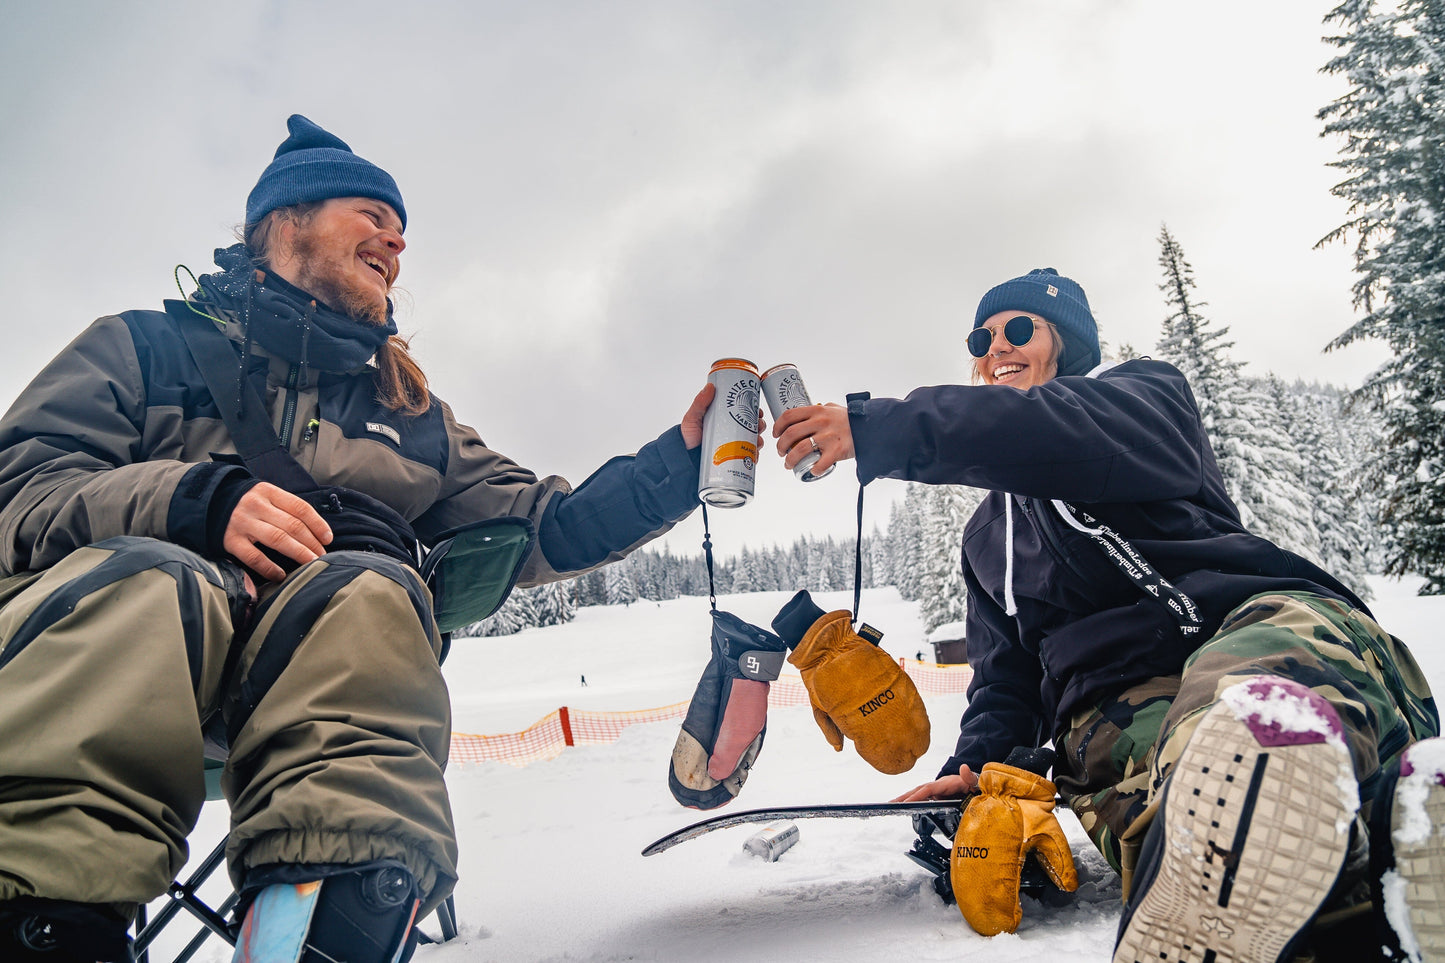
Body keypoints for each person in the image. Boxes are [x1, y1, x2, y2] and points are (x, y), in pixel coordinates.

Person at [0, 115, 723, 963]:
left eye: (401, 226)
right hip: (106, 666)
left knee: (369, 596)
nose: (396, 239)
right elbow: (21, 492)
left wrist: (678, 464)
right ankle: (44, 927)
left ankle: (332, 929)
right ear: (285, 222)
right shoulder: (141, 349)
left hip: (303, 696)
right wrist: (194, 502)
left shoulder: (412, 416)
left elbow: (542, 525)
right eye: (370, 214)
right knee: (154, 582)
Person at [773, 267, 1443, 961]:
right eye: (981, 337)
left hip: (1257, 627)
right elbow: (1006, 681)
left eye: (1018, 329)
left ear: (1066, 344)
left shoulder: (1142, 404)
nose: (995, 347)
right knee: (1181, 822)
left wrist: (881, 427)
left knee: (1243, 718)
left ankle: (1291, 793)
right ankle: (1379, 888)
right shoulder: (984, 539)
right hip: (1118, 711)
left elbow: (1048, 433)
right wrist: (978, 766)